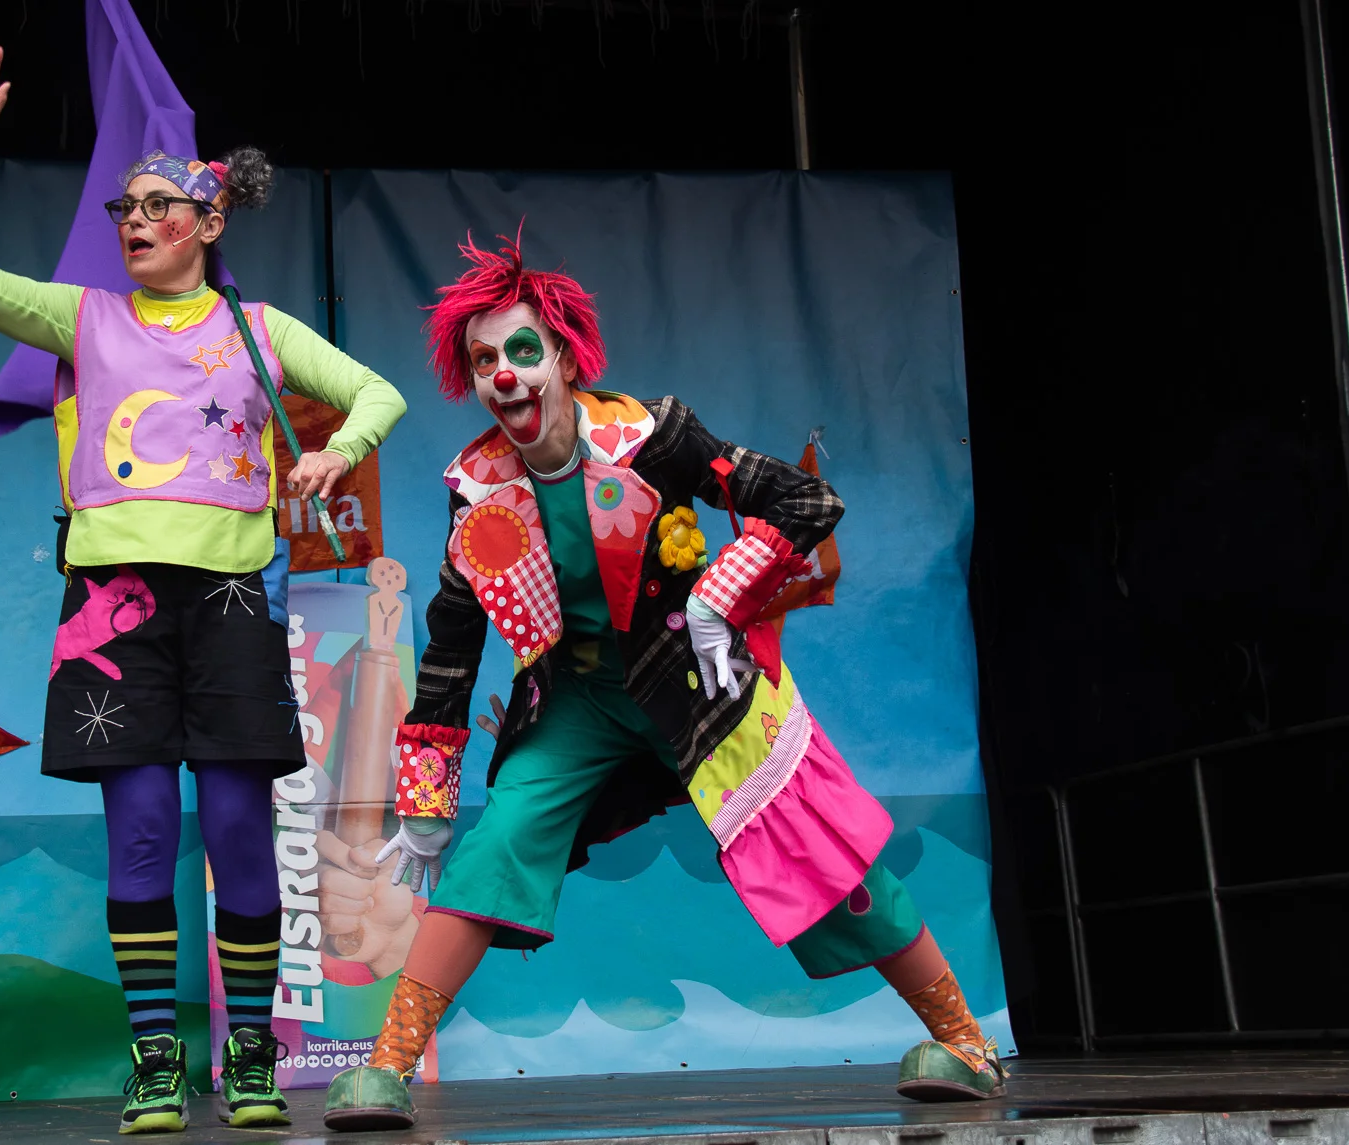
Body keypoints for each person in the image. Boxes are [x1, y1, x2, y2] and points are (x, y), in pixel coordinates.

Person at [322, 233, 1003, 1131]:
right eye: (485, 361)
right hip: (578, 700)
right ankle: (388, 1066)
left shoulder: (652, 436)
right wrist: (425, 796)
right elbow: (453, 640)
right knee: (496, 849)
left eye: (522, 350)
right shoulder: (477, 486)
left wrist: (723, 594)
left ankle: (966, 1042)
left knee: (822, 854)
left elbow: (802, 501)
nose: (505, 375)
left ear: (565, 358)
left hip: (700, 681)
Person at [0, 38, 406, 1134]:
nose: (134, 222)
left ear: (209, 220)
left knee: (238, 831)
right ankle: (153, 1058)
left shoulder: (259, 330)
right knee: (140, 829)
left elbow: (377, 392)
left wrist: (335, 453)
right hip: (113, 608)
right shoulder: (82, 318)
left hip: (230, 606)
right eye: (125, 209)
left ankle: (248, 1056)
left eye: (157, 206)